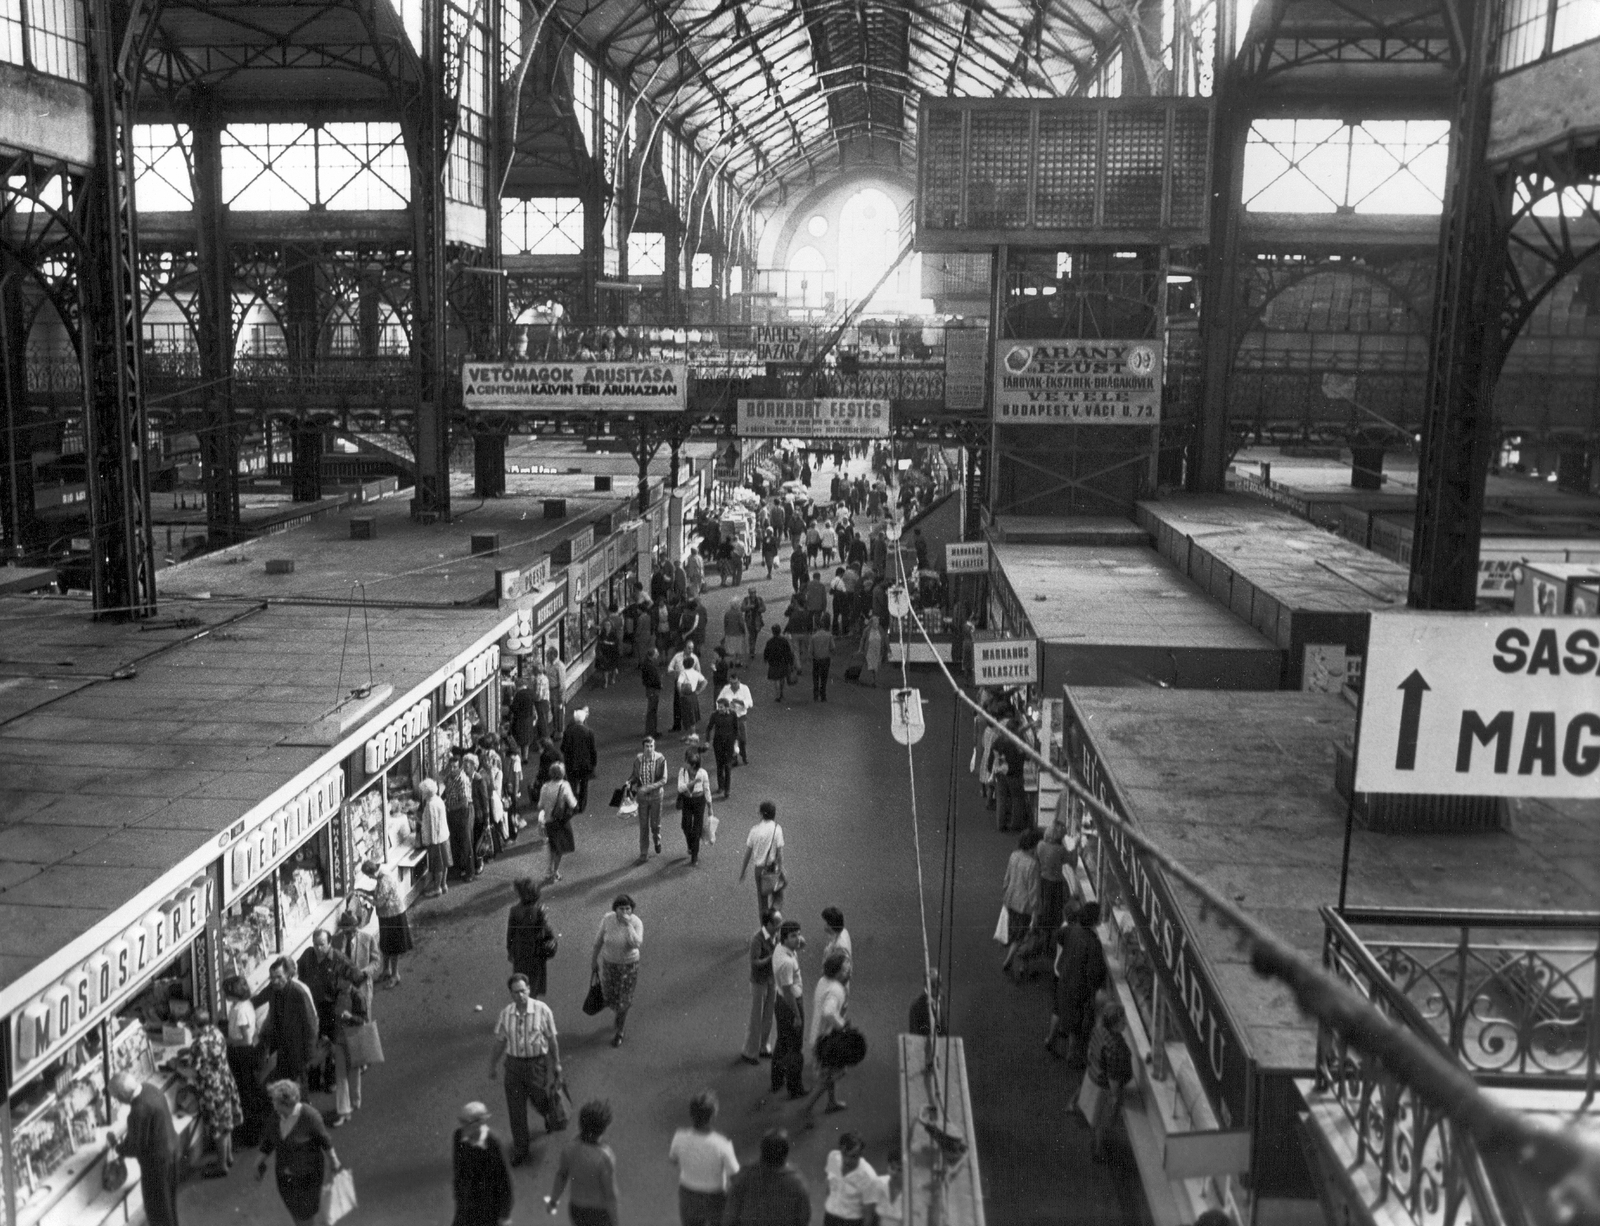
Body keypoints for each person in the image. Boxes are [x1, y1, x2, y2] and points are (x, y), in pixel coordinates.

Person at [487, 973, 565, 1166]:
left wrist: (556, 1062)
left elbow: (551, 1039)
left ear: (529, 989)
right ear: (511, 994)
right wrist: (492, 1065)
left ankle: (547, 1113)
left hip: (536, 1065)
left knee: (539, 1099)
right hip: (513, 1066)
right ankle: (521, 1150)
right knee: (516, 1110)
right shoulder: (506, 1014)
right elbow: (500, 1042)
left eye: (523, 991)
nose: (520, 995)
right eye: (516, 992)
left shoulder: (542, 1010)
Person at [256, 1079, 339, 1226]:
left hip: (307, 1177)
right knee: (296, 1213)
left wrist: (333, 1160)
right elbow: (269, 1141)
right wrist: (258, 1162)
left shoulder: (309, 1116)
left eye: (275, 1101)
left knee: (305, 1215)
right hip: (285, 1178)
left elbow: (325, 1140)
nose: (273, 1104)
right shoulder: (276, 1117)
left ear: (285, 1103)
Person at [109, 1072, 181, 1225]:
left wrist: (118, 1148)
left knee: (158, 1209)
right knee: (169, 1203)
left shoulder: (138, 1111)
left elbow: (135, 1147)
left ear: (122, 1095)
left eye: (116, 1097)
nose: (117, 1101)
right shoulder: (150, 1088)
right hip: (171, 1150)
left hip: (157, 1164)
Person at [1046, 900, 1108, 1062]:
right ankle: (1071, 1054)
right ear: (1094, 920)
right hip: (1078, 986)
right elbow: (1094, 972)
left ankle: (1050, 1039)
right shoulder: (1093, 943)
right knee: (1075, 1023)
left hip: (1064, 977)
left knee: (1057, 1010)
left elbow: (1058, 936)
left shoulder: (1072, 929)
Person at [668, 1090, 739, 1226]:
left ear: (691, 1114)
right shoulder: (722, 1144)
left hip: (688, 1194)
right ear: (713, 1115)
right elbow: (735, 1176)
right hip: (715, 1197)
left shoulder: (679, 1136)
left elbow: (673, 1160)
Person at [547, 1100, 620, 1226]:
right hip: (599, 1212)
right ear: (603, 1129)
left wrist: (553, 1201)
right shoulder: (604, 1158)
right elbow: (610, 1195)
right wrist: (615, 1222)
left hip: (576, 1209)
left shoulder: (569, 1149)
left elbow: (561, 1176)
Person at [723, 1130, 811, 1226]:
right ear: (785, 1154)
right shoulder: (797, 1183)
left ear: (762, 1151)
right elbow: (803, 1218)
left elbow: (730, 1216)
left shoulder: (744, 1177)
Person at [258, 956, 318, 1093]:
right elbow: (259, 999)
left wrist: (309, 1054)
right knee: (285, 1084)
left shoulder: (299, 992)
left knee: (299, 1085)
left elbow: (311, 1024)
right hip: (281, 1046)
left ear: (288, 975)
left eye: (279, 977)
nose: (275, 981)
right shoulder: (273, 988)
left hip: (297, 1048)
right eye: (272, 978)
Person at [1085, 1002, 1135, 1163]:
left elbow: (1091, 1050)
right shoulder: (1115, 1047)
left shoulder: (1099, 1030)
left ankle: (1094, 1138)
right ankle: (1098, 1150)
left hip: (1093, 1076)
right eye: (1122, 1021)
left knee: (1094, 1114)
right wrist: (1115, 1097)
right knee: (1103, 1120)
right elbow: (1113, 1078)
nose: (1125, 1023)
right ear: (1114, 1024)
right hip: (1104, 1087)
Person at [591, 895, 643, 1046]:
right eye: (621, 909)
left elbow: (636, 943)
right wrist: (594, 960)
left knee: (623, 1000)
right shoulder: (607, 919)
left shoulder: (636, 922)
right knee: (609, 995)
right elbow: (598, 941)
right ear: (615, 910)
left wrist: (628, 926)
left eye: (628, 909)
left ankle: (620, 1030)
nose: (625, 912)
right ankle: (619, 1015)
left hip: (628, 966)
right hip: (610, 964)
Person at [223, 975, 269, 1146]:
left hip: (242, 1055)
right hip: (243, 1053)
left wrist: (227, 1041)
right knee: (248, 1092)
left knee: (246, 1094)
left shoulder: (241, 1011)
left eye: (226, 992)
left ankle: (251, 1136)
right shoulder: (241, 1005)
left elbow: (246, 1039)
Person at [453, 1102, 514, 1226]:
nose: (463, 1126)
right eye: (461, 1121)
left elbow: (504, 1181)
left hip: (488, 1207)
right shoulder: (458, 1136)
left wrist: (505, 1215)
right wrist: (459, 1194)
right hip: (466, 1205)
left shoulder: (492, 1143)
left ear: (479, 1123)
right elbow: (458, 1168)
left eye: (466, 1122)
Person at [805, 951, 851, 1115]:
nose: (847, 972)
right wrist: (842, 1026)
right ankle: (806, 1108)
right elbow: (829, 1012)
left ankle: (832, 1102)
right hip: (826, 1040)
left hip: (818, 1035)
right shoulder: (836, 989)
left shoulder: (823, 981)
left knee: (829, 1072)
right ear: (837, 972)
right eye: (844, 969)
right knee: (831, 1076)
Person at [359, 857, 413, 986]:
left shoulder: (384, 880)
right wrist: (365, 891)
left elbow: (379, 902)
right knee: (386, 944)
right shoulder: (382, 873)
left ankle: (395, 974)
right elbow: (379, 893)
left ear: (371, 872)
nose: (369, 878)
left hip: (393, 915)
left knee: (393, 946)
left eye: (368, 876)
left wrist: (365, 896)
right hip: (387, 915)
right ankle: (386, 970)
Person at [740, 907, 783, 1065]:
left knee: (768, 1016)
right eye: (777, 923)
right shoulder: (757, 939)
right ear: (768, 924)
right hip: (759, 982)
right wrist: (771, 958)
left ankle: (763, 1047)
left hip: (771, 980)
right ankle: (750, 1052)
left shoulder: (776, 936)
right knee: (756, 1017)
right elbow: (754, 962)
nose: (780, 926)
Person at [769, 921, 807, 1099]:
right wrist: (797, 1016)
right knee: (795, 1048)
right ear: (784, 938)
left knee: (782, 1042)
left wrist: (798, 941)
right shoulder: (786, 963)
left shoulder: (779, 949)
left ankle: (777, 1080)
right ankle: (795, 1087)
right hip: (790, 1004)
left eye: (798, 934)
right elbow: (788, 992)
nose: (798, 939)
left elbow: (800, 943)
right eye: (793, 936)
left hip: (780, 1003)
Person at [1000, 828, 1043, 980]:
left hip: (1011, 900)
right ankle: (1011, 961)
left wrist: (1006, 894)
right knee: (1024, 936)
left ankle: (1021, 964)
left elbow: (1007, 878)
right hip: (1025, 907)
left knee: (1017, 934)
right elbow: (1033, 891)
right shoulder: (1033, 864)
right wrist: (1035, 913)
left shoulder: (1014, 855)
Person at [506, 877, 556, 996]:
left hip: (520, 953)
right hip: (535, 952)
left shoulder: (514, 910)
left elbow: (510, 934)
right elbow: (547, 930)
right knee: (533, 983)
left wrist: (510, 951)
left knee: (521, 980)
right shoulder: (539, 910)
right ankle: (531, 1000)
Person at [738, 800, 786, 919]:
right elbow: (780, 853)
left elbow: (748, 853)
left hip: (759, 870)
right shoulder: (777, 829)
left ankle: (765, 928)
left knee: (762, 902)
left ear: (761, 814)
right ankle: (774, 916)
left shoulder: (754, 830)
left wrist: (743, 871)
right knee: (778, 896)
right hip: (773, 869)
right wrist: (782, 869)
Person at [821, 1132, 879, 1226]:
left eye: (853, 1156)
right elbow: (829, 1187)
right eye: (844, 1154)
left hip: (851, 1222)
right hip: (830, 1218)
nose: (847, 1160)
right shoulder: (833, 1157)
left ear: (861, 1154)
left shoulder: (869, 1177)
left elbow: (869, 1216)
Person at [628, 734, 668, 863]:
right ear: (643, 747)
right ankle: (643, 853)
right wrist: (629, 782)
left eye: (651, 746)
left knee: (655, 825)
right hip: (642, 798)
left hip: (656, 796)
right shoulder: (638, 760)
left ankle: (657, 839)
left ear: (654, 747)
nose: (649, 749)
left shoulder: (660, 759)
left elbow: (664, 779)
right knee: (643, 825)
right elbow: (635, 776)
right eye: (647, 746)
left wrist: (649, 787)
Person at [537, 763, 579, 883]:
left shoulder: (545, 787)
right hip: (561, 821)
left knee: (552, 846)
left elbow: (540, 805)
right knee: (559, 848)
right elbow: (573, 804)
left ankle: (549, 870)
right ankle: (554, 872)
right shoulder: (564, 786)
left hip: (548, 821)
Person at [444, 749, 477, 882]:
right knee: (455, 842)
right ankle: (457, 870)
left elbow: (464, 803)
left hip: (463, 813)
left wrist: (450, 808)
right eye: (451, 767)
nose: (452, 769)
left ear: (460, 767)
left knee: (466, 842)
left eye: (455, 767)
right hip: (453, 813)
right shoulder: (449, 778)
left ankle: (470, 872)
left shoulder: (462, 779)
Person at [417, 777, 452, 897]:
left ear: (426, 792)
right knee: (444, 863)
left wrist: (429, 841)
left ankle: (437, 888)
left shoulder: (430, 805)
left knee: (438, 867)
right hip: (444, 836)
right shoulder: (438, 799)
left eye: (422, 792)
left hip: (436, 840)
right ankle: (443, 884)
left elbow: (432, 825)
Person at [1036, 820, 1072, 934]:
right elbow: (1071, 861)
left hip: (1042, 880)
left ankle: (1042, 931)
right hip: (1055, 883)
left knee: (1044, 907)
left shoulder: (1040, 845)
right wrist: (1075, 846)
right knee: (1055, 912)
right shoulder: (1060, 850)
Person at [676, 747, 711, 865]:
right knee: (685, 825)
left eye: (688, 762)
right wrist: (693, 783)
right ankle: (690, 844)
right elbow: (680, 788)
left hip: (699, 801)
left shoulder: (703, 773)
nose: (685, 764)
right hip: (687, 800)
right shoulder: (683, 771)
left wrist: (710, 807)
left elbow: (706, 789)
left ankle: (694, 856)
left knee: (697, 829)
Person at [560, 708, 599, 813]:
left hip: (571, 764)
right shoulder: (589, 732)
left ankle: (572, 806)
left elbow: (563, 748)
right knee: (583, 787)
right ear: (583, 719)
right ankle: (581, 807)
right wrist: (593, 763)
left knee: (572, 785)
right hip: (585, 765)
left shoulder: (568, 732)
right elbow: (593, 750)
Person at [716, 669, 754, 765]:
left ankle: (743, 754)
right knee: (732, 739)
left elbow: (750, 703)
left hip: (741, 717)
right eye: (731, 683)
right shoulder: (726, 689)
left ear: (739, 681)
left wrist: (738, 702)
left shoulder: (745, 689)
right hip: (730, 718)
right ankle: (734, 758)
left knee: (743, 739)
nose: (733, 685)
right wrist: (725, 708)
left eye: (735, 683)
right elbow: (718, 701)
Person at [706, 697, 741, 799]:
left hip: (729, 744)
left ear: (727, 707)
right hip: (718, 744)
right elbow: (709, 728)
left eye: (721, 707)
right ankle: (720, 786)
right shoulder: (714, 715)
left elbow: (736, 729)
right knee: (719, 766)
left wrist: (736, 743)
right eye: (718, 707)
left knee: (728, 767)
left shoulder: (733, 715)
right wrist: (707, 741)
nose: (719, 709)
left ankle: (727, 790)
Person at [676, 653, 707, 738]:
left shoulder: (683, 673)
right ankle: (692, 733)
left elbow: (679, 684)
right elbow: (705, 682)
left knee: (686, 715)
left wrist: (680, 693)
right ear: (693, 664)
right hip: (693, 695)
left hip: (685, 696)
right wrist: (699, 691)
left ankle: (690, 734)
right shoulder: (696, 673)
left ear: (684, 664)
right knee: (693, 715)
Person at [908, 970, 946, 1037]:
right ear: (926, 984)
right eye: (933, 984)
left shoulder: (943, 999)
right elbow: (914, 1034)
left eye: (939, 983)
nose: (937, 986)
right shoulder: (916, 1005)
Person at [763, 625, 795, 702]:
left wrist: (766, 659)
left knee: (776, 679)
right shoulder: (784, 641)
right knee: (782, 678)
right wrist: (791, 662)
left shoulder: (770, 641)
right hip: (783, 662)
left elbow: (766, 652)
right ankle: (781, 692)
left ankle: (777, 695)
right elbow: (788, 652)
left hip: (773, 662)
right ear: (780, 631)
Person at [510, 672, 538, 760]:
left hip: (520, 720)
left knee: (518, 740)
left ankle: (519, 757)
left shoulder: (519, 694)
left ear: (518, 685)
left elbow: (514, 708)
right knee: (526, 741)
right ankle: (525, 757)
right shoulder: (531, 692)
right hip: (529, 719)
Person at [640, 647, 664, 737]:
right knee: (652, 711)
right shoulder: (650, 665)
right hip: (653, 690)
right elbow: (653, 679)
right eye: (656, 653)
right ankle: (651, 732)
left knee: (652, 711)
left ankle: (652, 730)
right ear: (652, 655)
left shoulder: (648, 664)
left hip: (651, 689)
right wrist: (659, 684)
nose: (658, 654)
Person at [596, 607, 622, 688]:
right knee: (605, 669)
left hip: (612, 652)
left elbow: (616, 642)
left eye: (608, 625)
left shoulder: (613, 634)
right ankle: (606, 682)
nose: (607, 626)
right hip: (605, 653)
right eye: (606, 625)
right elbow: (599, 641)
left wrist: (609, 643)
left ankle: (613, 678)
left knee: (613, 667)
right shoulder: (602, 634)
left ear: (611, 626)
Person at [544, 648, 567, 738]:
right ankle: (555, 729)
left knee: (559, 712)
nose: (546, 656)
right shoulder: (549, 664)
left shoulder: (559, 666)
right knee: (554, 711)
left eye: (548, 655)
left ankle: (560, 732)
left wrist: (561, 697)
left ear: (553, 655)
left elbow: (562, 683)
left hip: (557, 691)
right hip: (551, 691)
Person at [810, 620, 834, 701]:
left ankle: (815, 695)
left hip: (816, 659)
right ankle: (823, 695)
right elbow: (832, 647)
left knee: (815, 677)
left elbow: (811, 650)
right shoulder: (829, 635)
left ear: (817, 627)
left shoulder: (814, 637)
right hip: (825, 658)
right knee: (824, 678)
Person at [741, 586, 767, 659]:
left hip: (757, 620)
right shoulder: (746, 600)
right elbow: (742, 608)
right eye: (751, 593)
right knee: (752, 634)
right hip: (749, 620)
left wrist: (758, 609)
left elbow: (764, 608)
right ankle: (752, 650)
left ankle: (752, 648)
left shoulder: (759, 599)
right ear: (749, 593)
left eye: (754, 592)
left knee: (755, 634)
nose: (753, 594)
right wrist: (749, 607)